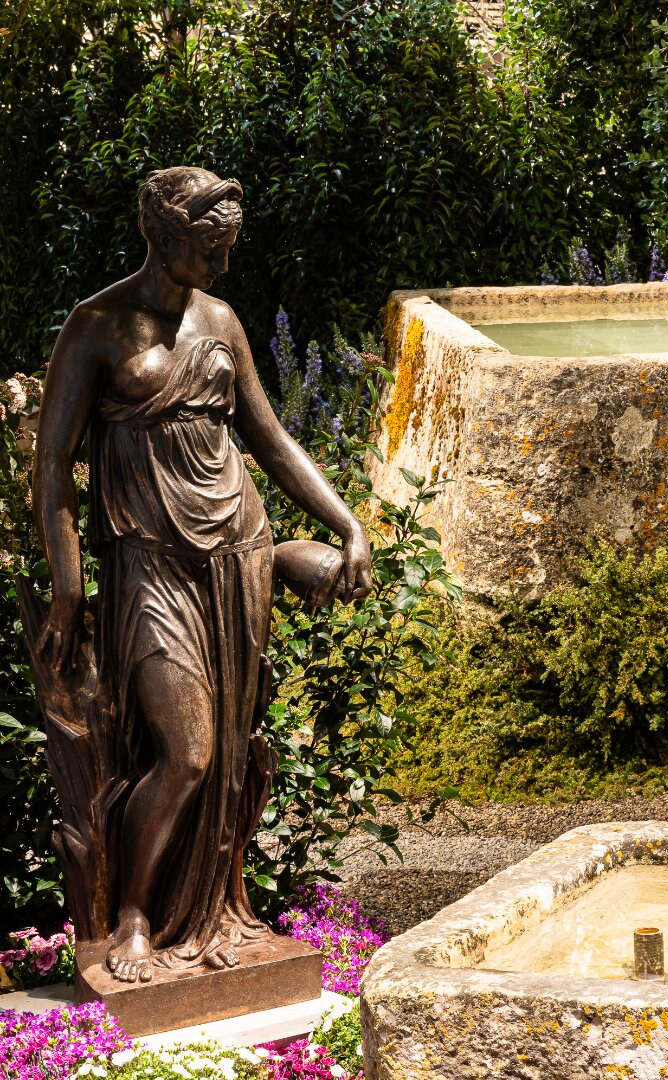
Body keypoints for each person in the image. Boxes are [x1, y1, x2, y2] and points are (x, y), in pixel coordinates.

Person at [31, 167, 371, 983]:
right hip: (149, 563)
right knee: (185, 751)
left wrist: (348, 523)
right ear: (166, 235)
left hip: (237, 553)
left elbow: (272, 440)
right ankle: (137, 917)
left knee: (225, 754)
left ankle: (213, 909)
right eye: (209, 249)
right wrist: (69, 586)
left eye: (227, 250)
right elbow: (51, 472)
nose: (220, 267)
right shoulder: (97, 326)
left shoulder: (220, 319)